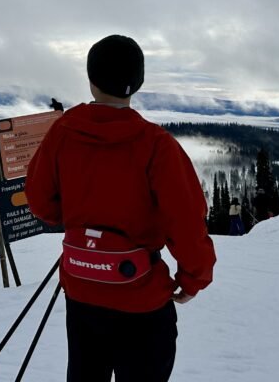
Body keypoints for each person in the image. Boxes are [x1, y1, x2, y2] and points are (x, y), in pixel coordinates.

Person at [25, 34, 216, 382]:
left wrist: (79, 226)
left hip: (81, 290)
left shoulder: (62, 133)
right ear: (137, 83)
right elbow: (187, 222)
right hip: (141, 301)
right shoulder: (156, 145)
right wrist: (193, 279)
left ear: (90, 78)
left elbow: (39, 201)